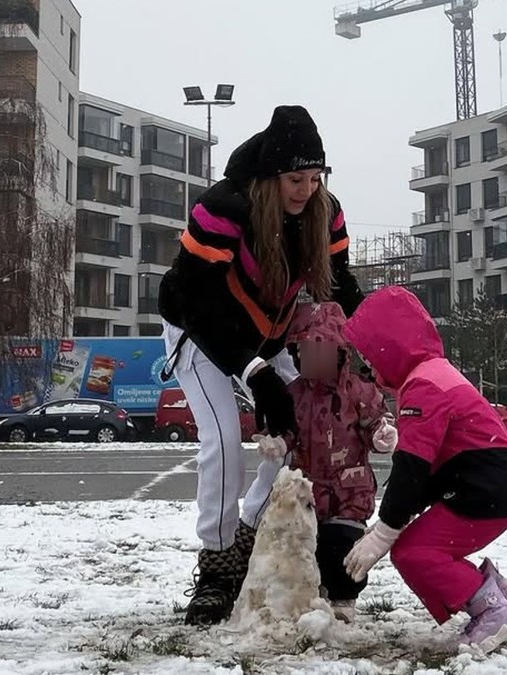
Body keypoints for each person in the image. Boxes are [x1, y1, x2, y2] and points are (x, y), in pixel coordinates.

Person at [157, 105, 364, 625]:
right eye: (296, 179)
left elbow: (341, 286)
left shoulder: (324, 212)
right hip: (198, 332)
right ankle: (217, 564)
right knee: (225, 439)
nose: (307, 190)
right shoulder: (223, 209)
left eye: (316, 178)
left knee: (301, 427)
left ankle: (248, 528)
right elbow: (199, 305)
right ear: (272, 177)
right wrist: (255, 372)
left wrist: (376, 349)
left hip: (266, 335)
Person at [340, 285, 507, 654]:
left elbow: (412, 468)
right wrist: (395, 520)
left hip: (480, 490)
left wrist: (385, 531)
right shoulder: (433, 373)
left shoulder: (423, 387)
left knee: (413, 553)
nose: (369, 367)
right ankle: (498, 590)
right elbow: (426, 466)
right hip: (488, 486)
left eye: (371, 355)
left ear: (390, 346)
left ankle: (493, 610)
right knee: (426, 545)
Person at [282, 301, 397, 622]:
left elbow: (376, 421)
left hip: (349, 493)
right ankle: (313, 593)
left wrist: (381, 434)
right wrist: (277, 441)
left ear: (340, 353)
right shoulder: (292, 394)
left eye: (321, 351)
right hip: (306, 492)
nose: (313, 358)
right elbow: (285, 428)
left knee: (343, 548)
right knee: (306, 547)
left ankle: (344, 598)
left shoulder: (358, 391)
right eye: (306, 350)